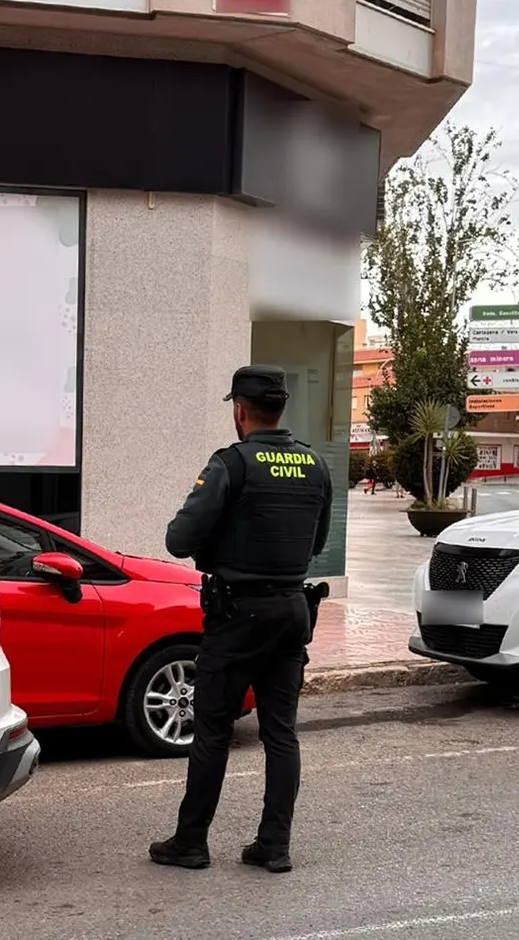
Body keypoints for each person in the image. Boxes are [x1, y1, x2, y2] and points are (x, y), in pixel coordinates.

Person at [148, 364, 331, 876]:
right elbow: (316, 544)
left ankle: (191, 842)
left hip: (238, 614)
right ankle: (274, 846)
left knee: (210, 729)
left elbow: (178, 541)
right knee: (281, 733)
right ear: (280, 408)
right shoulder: (314, 466)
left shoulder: (232, 464)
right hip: (292, 611)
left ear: (240, 410)